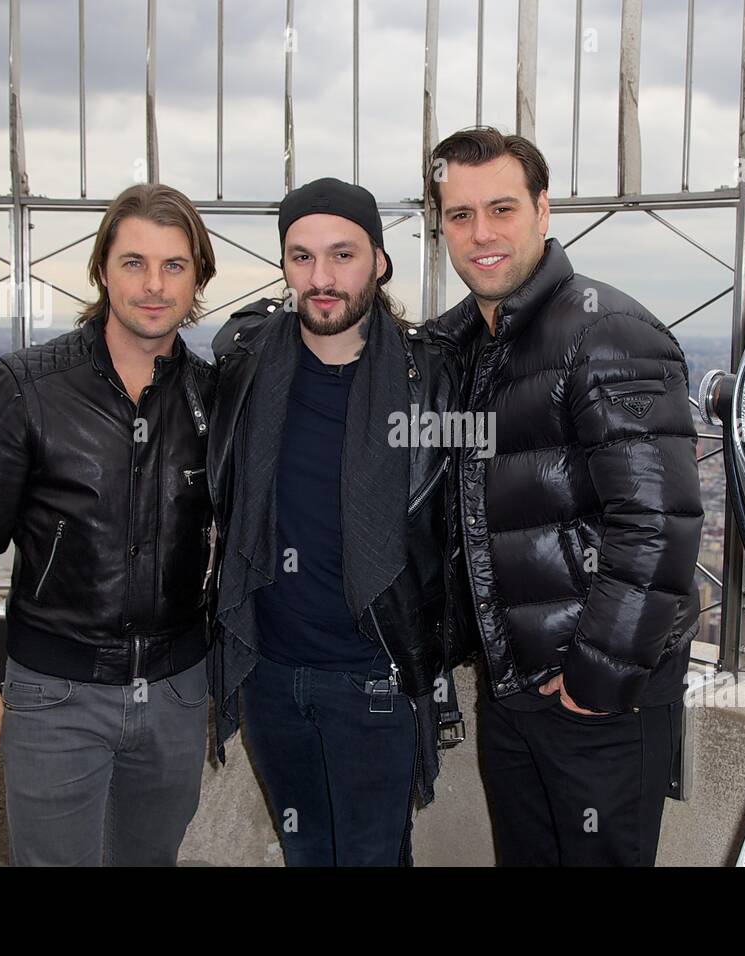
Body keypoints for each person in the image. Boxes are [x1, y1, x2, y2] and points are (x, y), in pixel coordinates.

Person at [427, 127, 704, 866]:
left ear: (543, 210)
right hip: (514, 683)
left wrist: (595, 679)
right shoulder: (465, 348)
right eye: (460, 215)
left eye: (502, 208)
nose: (481, 233)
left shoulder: (605, 331)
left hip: (594, 695)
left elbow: (659, 523)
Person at [0, 182, 219, 866]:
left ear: (198, 279)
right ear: (101, 269)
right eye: (133, 263)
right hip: (57, 693)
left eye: (174, 265)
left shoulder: (213, 396)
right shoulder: (28, 386)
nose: (153, 285)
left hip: (178, 691)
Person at [205, 177, 463, 866]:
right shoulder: (245, 365)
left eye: (343, 255)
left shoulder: (434, 378)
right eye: (301, 257)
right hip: (267, 673)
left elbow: (471, 526)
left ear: (379, 261)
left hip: (373, 679)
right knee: (306, 853)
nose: (322, 278)